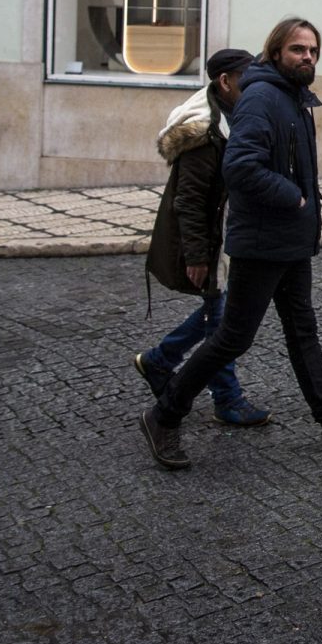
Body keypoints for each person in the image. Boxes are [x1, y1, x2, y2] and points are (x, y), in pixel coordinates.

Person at [139, 17, 322, 470]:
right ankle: (163, 415)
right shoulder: (261, 97)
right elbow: (240, 166)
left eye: (313, 51)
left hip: (290, 240)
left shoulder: (292, 97)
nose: (308, 57)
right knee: (231, 338)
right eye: (298, 50)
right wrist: (291, 195)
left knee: (302, 332)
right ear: (275, 52)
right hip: (262, 241)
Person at [132, 47, 270, 427]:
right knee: (221, 320)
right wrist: (197, 256)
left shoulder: (236, 114)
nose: (255, 86)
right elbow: (188, 202)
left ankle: (160, 360)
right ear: (225, 83)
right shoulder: (203, 131)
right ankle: (227, 398)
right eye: (248, 80)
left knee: (220, 312)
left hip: (229, 233)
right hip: (210, 239)